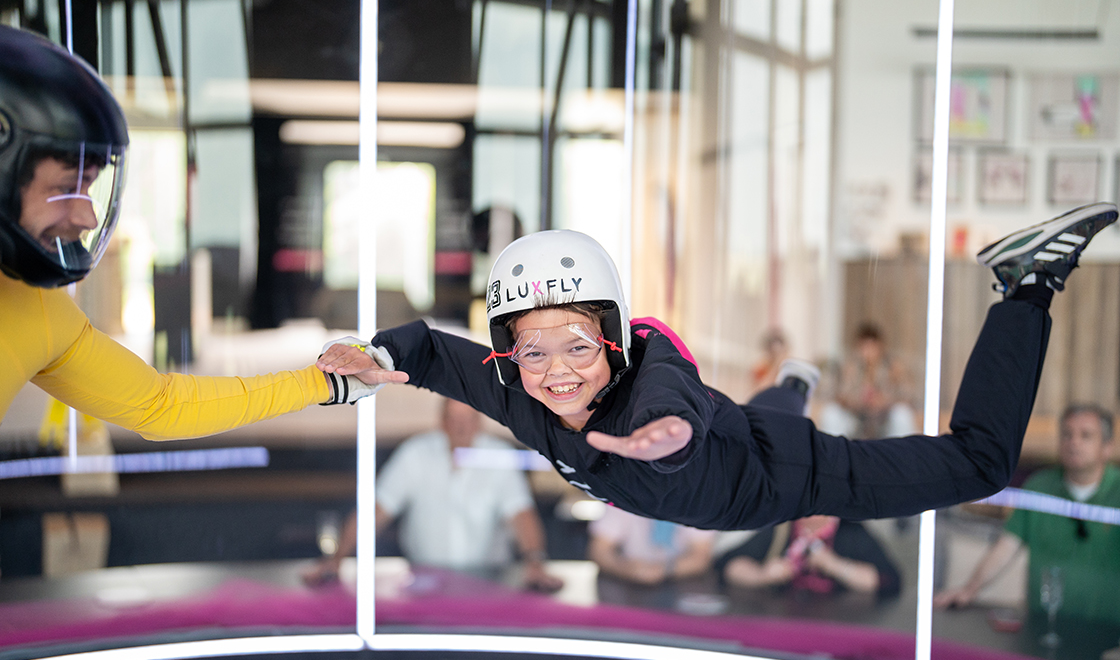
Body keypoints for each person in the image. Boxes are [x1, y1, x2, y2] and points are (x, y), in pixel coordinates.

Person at [318, 203, 1118, 531]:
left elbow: (675, 414)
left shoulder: (652, 383)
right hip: (746, 432)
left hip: (787, 477)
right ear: (507, 350)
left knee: (980, 464)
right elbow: (425, 350)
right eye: (533, 349)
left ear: (613, 339)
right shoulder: (511, 382)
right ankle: (795, 381)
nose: (556, 372)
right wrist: (372, 354)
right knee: (768, 405)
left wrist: (662, 436)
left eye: (577, 345)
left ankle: (1028, 285)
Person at [0, 27, 398, 435]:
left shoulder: (38, 309)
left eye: (89, 187)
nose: (86, 218)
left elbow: (159, 404)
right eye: (66, 187)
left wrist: (326, 381)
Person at [303, 398, 563, 592]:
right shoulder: (415, 454)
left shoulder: (500, 456)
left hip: (488, 584)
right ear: (442, 422)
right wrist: (337, 560)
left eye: (468, 419)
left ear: (479, 422)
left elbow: (521, 515)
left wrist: (535, 562)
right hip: (423, 582)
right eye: (454, 419)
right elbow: (376, 511)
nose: (462, 428)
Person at [934, 404, 1120, 625]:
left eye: (1086, 436)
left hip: (1107, 629)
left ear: (1107, 447)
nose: (1074, 442)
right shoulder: (1038, 487)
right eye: (1067, 434)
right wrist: (968, 590)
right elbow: (1007, 545)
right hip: (1042, 624)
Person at [716, 516, 901, 597]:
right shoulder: (783, 529)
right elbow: (728, 564)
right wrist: (762, 575)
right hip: (787, 624)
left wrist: (835, 566)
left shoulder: (850, 532)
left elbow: (888, 580)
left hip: (838, 627)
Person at [820, 322, 917, 439]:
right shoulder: (850, 367)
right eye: (864, 346)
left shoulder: (893, 367)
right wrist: (858, 401)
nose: (868, 351)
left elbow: (908, 395)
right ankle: (832, 454)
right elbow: (838, 395)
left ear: (880, 346)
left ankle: (904, 455)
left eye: (872, 346)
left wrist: (884, 401)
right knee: (831, 413)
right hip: (856, 419)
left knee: (902, 414)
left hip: (884, 420)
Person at [588, 504, 715, 585]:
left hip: (682, 585)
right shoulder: (621, 500)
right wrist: (626, 569)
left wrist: (664, 570)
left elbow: (701, 558)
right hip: (624, 585)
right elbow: (599, 551)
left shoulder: (696, 504)